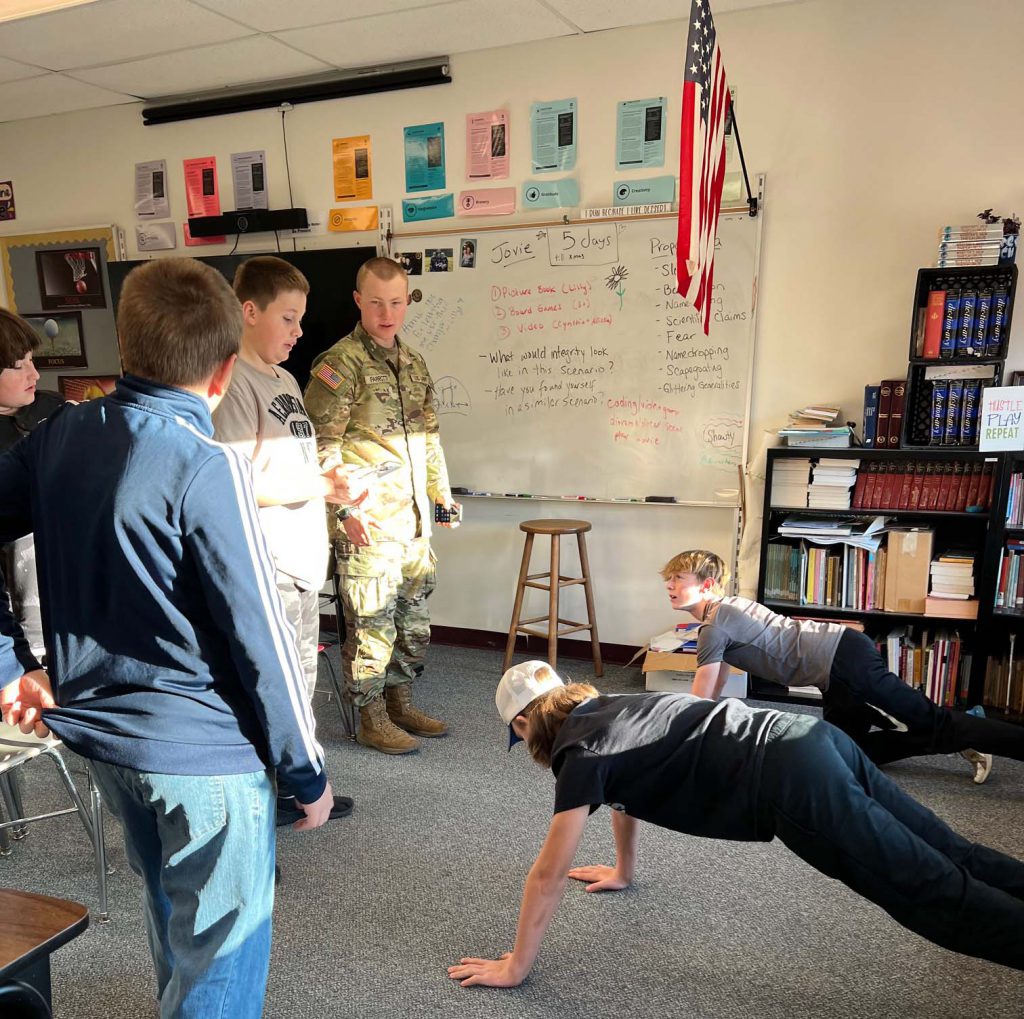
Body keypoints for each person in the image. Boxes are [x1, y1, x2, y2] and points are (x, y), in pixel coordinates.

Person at [0, 257, 334, 1019]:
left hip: (113, 749)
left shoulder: (58, 436)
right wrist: (306, 771)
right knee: (220, 957)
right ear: (223, 373)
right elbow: (263, 638)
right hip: (205, 759)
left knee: (174, 923)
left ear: (125, 347)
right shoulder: (205, 466)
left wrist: (8, 662)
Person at [447, 661, 1024, 989]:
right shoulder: (611, 706)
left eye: (518, 734)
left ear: (525, 722)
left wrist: (515, 965)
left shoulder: (578, 754)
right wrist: (624, 869)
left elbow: (546, 874)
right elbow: (625, 791)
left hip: (793, 784)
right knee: (952, 850)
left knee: (927, 892)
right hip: (814, 738)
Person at [212, 255, 363, 826]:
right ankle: (263, 797)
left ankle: (299, 783)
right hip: (267, 563)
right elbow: (236, 481)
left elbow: (293, 460)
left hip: (304, 559)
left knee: (299, 682)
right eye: (289, 319)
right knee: (268, 687)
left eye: (302, 320)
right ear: (248, 312)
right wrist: (318, 483)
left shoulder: (286, 379)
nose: (299, 332)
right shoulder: (232, 382)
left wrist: (334, 486)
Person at [663, 549, 1024, 783]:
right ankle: (960, 736)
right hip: (833, 671)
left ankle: (969, 730)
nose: (670, 585)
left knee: (932, 719)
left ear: (707, 585)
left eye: (679, 579)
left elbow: (702, 698)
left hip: (843, 658)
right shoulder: (724, 611)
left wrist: (677, 743)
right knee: (844, 756)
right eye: (669, 578)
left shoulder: (715, 624)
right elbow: (717, 680)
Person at [304, 256, 460, 755]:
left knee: (413, 621)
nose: (387, 313)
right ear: (358, 301)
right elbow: (317, 451)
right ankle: (370, 717)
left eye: (396, 302)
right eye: (376, 302)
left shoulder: (413, 363)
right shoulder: (338, 365)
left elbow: (429, 438)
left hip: (413, 521)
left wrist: (442, 493)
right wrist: (342, 514)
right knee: (371, 625)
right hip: (367, 522)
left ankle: (400, 702)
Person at [0, 309, 64, 660]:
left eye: (32, 361)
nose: (34, 374)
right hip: (15, 612)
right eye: (19, 365)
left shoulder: (55, 411)